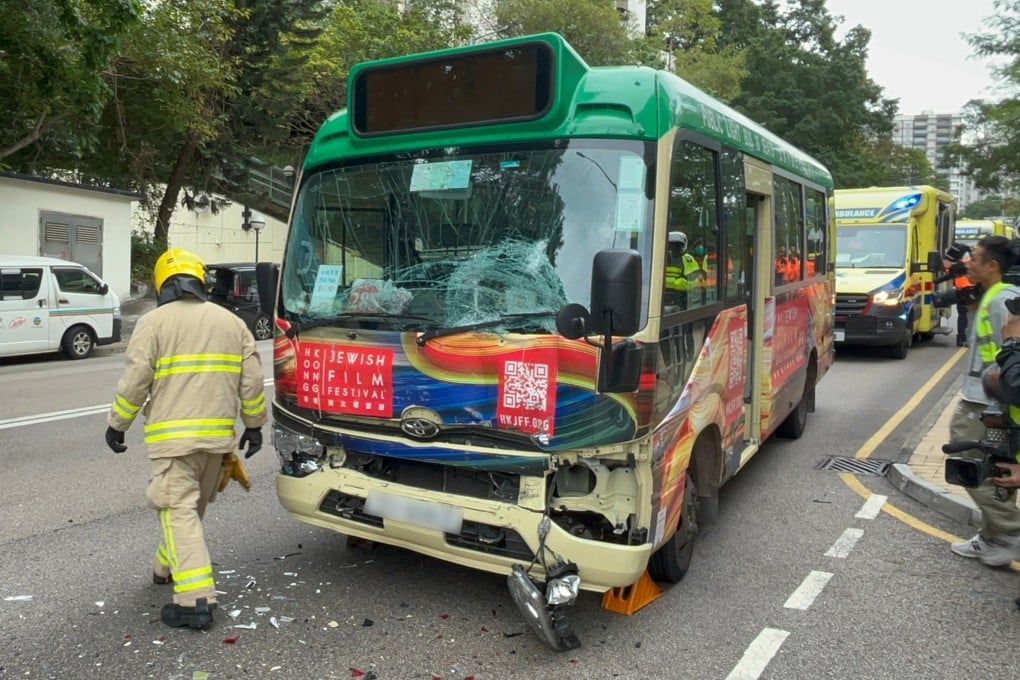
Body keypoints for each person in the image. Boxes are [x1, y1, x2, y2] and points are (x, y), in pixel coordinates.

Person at [104, 248, 267, 629]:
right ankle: (165, 567)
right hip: (217, 443)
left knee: (178, 510)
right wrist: (255, 426)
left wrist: (117, 424)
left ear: (164, 284)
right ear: (199, 282)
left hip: (174, 443)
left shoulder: (153, 323)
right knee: (186, 511)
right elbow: (253, 382)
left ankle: (195, 602)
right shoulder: (231, 323)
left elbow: (135, 382)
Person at [946, 235, 1020, 566]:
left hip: (986, 402)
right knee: (995, 470)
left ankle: (1009, 531)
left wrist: (999, 404)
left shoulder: (1002, 299)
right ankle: (994, 539)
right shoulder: (991, 295)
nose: (968, 263)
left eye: (974, 258)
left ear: (992, 265)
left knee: (966, 466)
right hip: (991, 399)